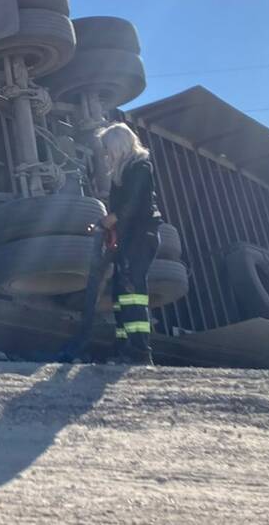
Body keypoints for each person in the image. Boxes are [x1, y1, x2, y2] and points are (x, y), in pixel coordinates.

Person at [97, 122, 164, 366]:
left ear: (118, 145)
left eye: (107, 148)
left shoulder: (140, 167)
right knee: (121, 293)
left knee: (133, 292)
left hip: (141, 236)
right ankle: (123, 347)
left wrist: (112, 218)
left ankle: (140, 352)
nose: (106, 154)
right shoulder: (122, 172)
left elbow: (138, 203)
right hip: (127, 237)